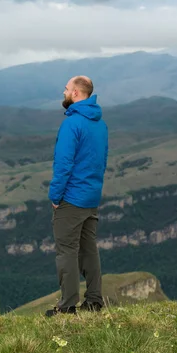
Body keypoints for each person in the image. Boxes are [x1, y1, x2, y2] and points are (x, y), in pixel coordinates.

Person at [45, 75, 109, 317]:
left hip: (71, 199)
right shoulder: (100, 124)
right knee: (89, 249)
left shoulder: (72, 124)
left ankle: (67, 306)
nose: (63, 91)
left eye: (66, 88)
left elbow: (63, 164)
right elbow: (101, 161)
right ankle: (94, 301)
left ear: (76, 93)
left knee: (67, 252)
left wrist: (55, 195)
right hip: (91, 196)